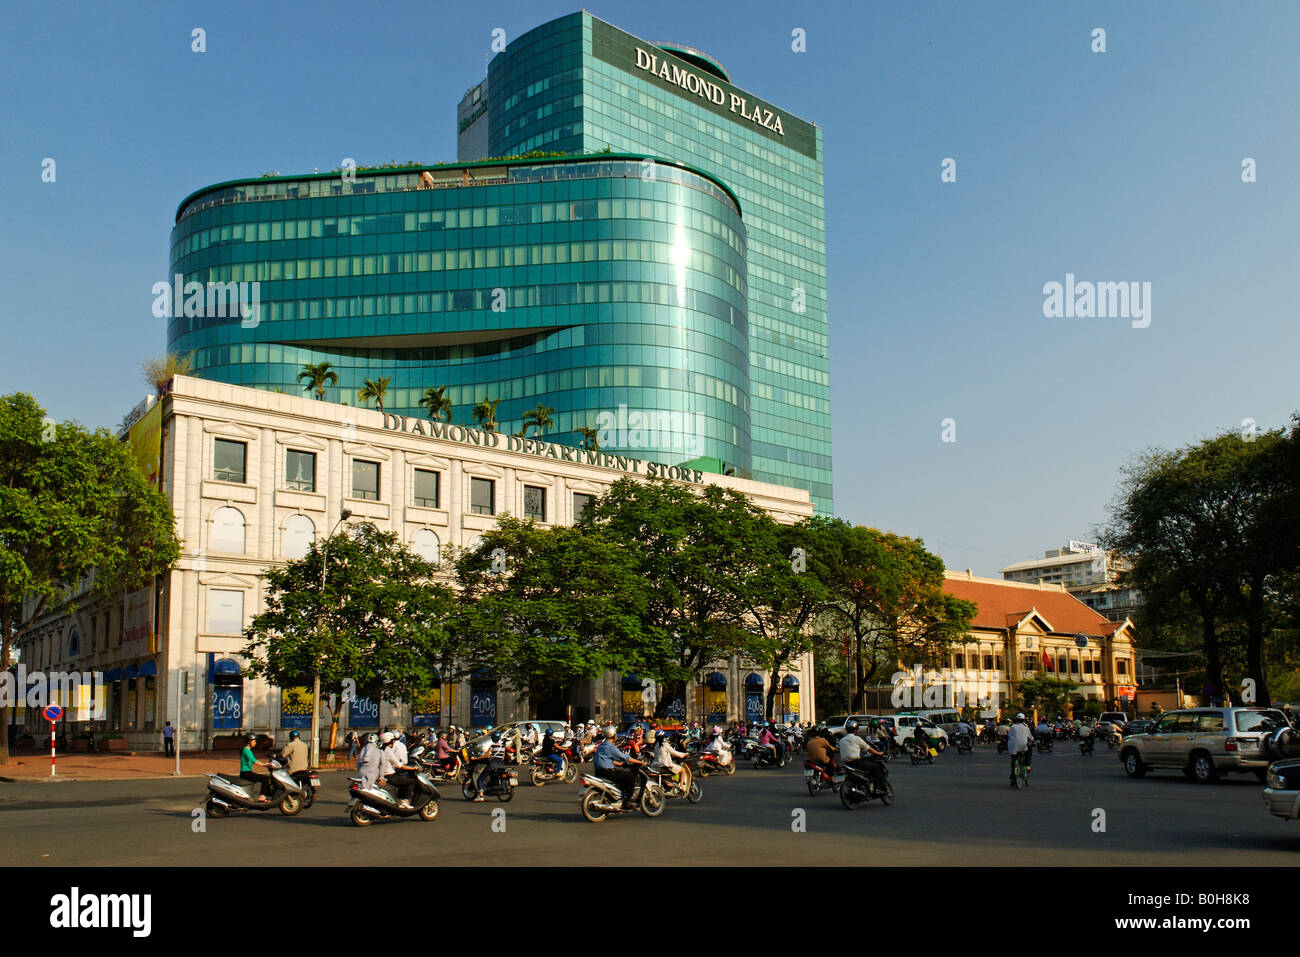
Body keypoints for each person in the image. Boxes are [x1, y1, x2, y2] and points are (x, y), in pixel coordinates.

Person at [593, 725, 642, 807]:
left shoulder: (601, 745)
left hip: (598, 771)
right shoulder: (610, 746)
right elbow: (623, 756)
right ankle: (627, 800)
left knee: (621, 777)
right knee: (630, 777)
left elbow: (605, 757)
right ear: (613, 735)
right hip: (607, 772)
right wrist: (639, 762)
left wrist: (617, 763)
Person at [838, 720, 886, 794]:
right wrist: (878, 753)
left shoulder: (841, 740)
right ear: (855, 730)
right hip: (856, 762)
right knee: (875, 767)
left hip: (846, 763)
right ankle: (877, 789)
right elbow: (869, 749)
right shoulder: (856, 738)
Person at [473, 732, 511, 802]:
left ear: (493, 738)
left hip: (492, 765)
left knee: (480, 779)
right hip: (500, 765)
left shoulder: (492, 746)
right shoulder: (502, 747)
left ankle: (480, 796)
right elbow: (502, 758)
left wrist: (476, 758)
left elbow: (486, 755)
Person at [239, 734, 272, 801]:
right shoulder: (246, 750)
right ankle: (262, 796)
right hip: (245, 773)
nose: (255, 743)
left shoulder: (248, 750)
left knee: (264, 778)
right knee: (265, 778)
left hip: (248, 772)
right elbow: (254, 760)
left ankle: (265, 794)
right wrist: (264, 765)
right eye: (254, 741)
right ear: (249, 741)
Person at [1007, 713, 1034, 786]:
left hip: (1013, 748)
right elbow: (1031, 738)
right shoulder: (1026, 728)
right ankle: (1027, 765)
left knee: (1013, 760)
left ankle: (1013, 776)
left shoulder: (1012, 727)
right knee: (1028, 752)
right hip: (1023, 747)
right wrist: (1033, 742)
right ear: (1024, 720)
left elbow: (1009, 735)